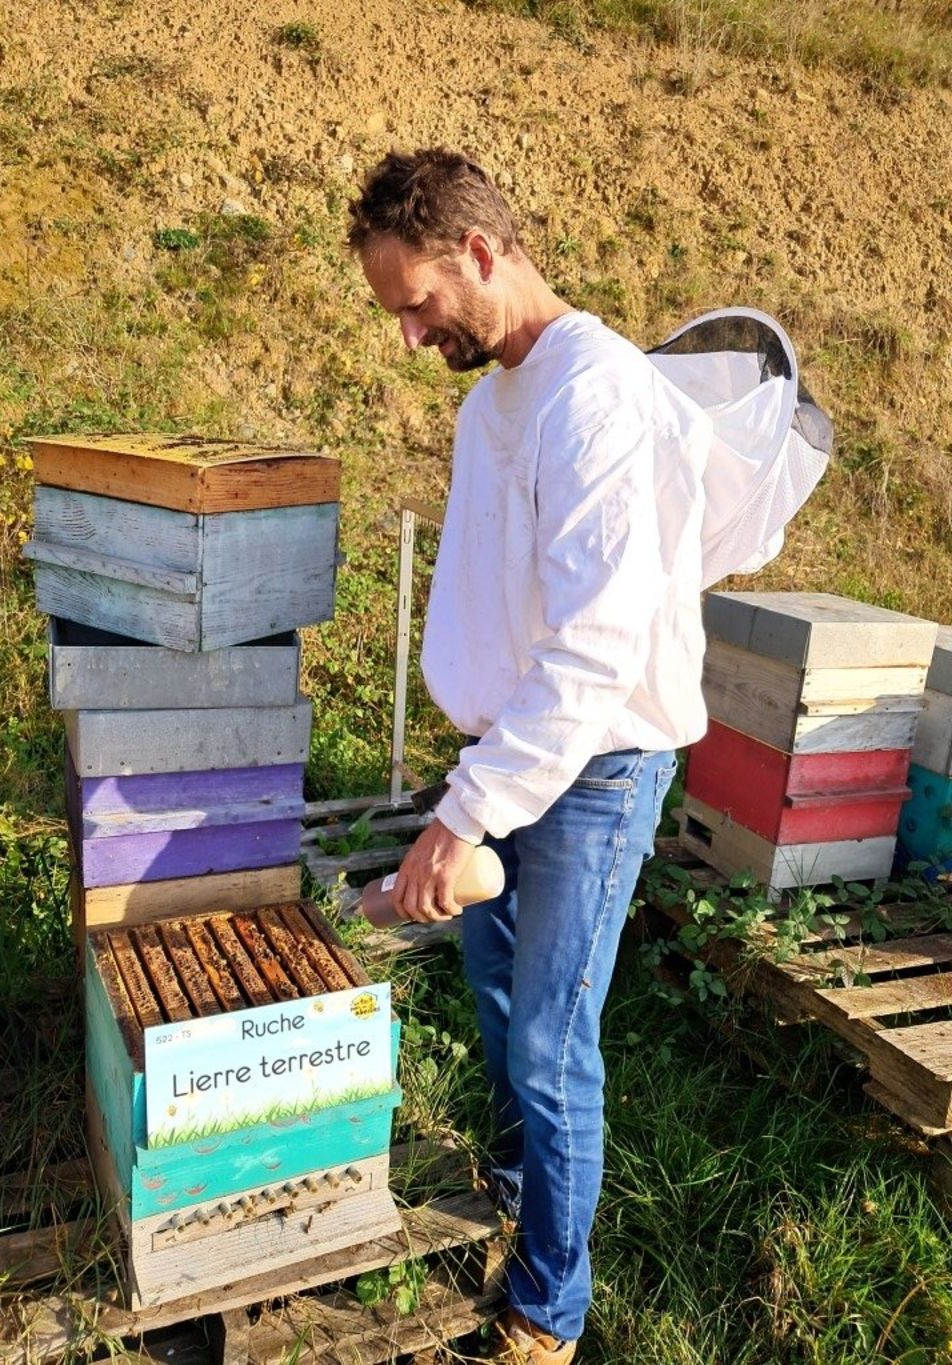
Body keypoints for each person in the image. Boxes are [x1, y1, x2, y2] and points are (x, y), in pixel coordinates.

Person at [347, 148, 712, 1364]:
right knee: (501, 1004)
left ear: (479, 252)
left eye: (416, 304)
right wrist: (473, 784)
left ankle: (548, 1314)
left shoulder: (594, 394)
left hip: (593, 767)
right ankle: (514, 1192)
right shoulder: (492, 401)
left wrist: (462, 817)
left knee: (552, 1043)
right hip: (510, 756)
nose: (408, 336)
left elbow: (597, 645)